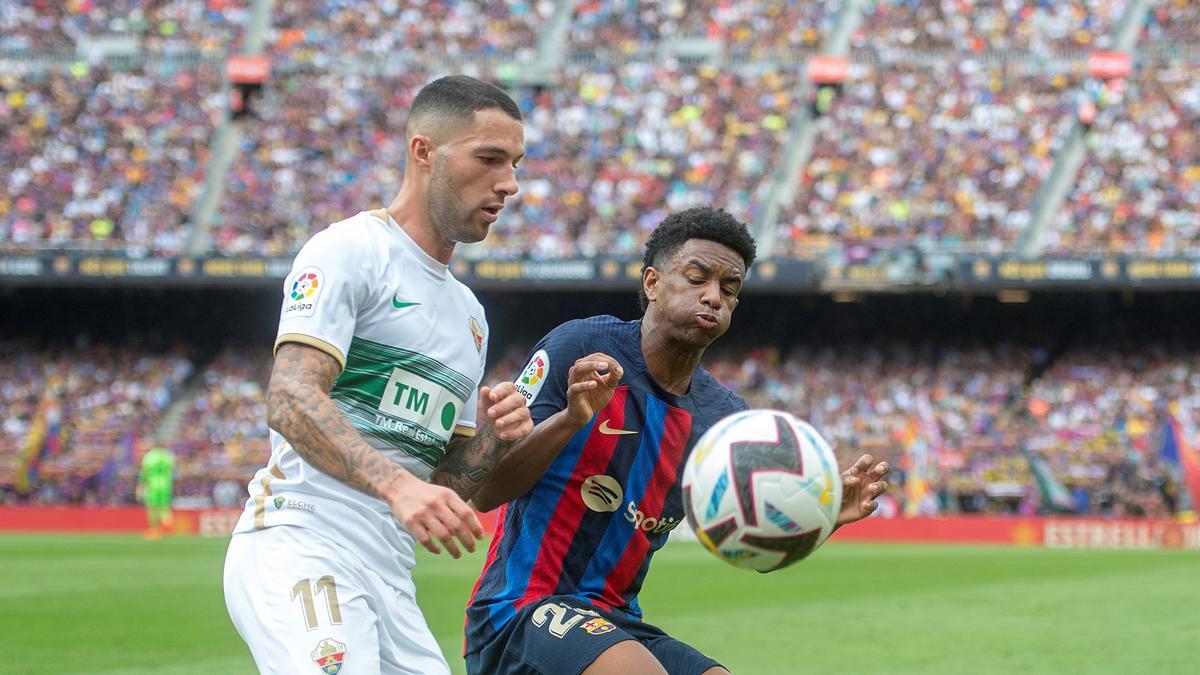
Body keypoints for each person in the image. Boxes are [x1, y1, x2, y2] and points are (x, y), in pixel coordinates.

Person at [464, 207, 891, 674]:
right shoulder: (581, 347)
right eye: (697, 278)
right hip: (522, 609)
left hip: (618, 620)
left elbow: (749, 541)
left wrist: (820, 518)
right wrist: (570, 418)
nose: (713, 297)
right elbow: (485, 491)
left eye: (730, 290)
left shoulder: (725, 419)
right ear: (651, 283)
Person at [223, 75, 534, 675]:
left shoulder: (470, 316)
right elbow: (289, 397)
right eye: (489, 158)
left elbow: (447, 485)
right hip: (301, 541)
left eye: (515, 164)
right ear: (423, 151)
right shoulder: (349, 251)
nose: (509, 184)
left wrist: (497, 434)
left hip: (388, 573)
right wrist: (398, 487)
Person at [136, 446, 174, 539]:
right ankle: (167, 523)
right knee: (164, 507)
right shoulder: (168, 455)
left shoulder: (150, 456)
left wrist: (141, 485)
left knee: (152, 508)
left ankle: (155, 530)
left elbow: (144, 471)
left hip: (153, 485)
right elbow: (171, 469)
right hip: (165, 485)